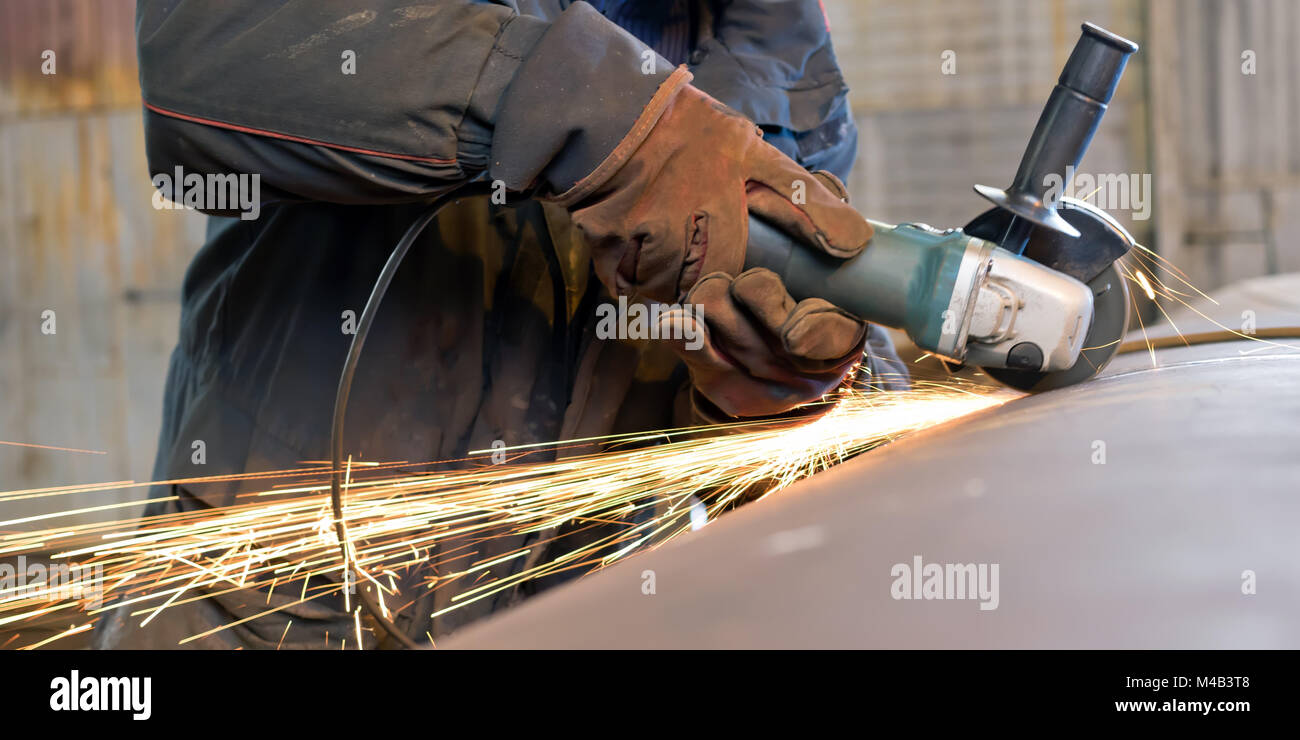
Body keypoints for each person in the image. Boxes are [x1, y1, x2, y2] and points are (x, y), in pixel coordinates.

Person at [94, 0, 906, 649]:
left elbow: (830, 367)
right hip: (257, 612)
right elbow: (199, 52)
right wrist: (591, 111)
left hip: (569, 616)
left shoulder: (783, 56)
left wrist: (776, 396)